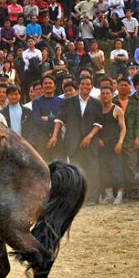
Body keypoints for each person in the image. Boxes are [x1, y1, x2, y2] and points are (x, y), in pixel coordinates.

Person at [49, 75, 103, 204]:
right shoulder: (68, 102)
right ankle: (77, 199)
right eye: (83, 84)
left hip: (91, 142)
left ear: (91, 86)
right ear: (79, 86)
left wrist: (89, 137)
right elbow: (59, 120)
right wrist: (54, 136)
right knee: (76, 171)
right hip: (73, 142)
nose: (85, 86)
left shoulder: (96, 103)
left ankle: (93, 198)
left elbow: (99, 123)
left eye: (88, 84)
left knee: (92, 169)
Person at [113, 78, 139, 196]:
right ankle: (119, 191)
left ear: (129, 88)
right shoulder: (112, 101)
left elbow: (137, 121)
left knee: (131, 165)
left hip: (130, 138)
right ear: (117, 86)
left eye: (126, 85)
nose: (123, 87)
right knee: (117, 165)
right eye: (121, 85)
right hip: (116, 139)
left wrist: (137, 137)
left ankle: (132, 190)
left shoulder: (134, 102)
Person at [98, 86, 126, 205]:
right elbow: (93, 126)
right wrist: (98, 139)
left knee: (117, 169)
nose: (105, 95)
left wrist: (120, 142)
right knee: (104, 169)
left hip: (114, 144)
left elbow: (123, 128)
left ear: (111, 94)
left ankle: (119, 195)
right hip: (101, 144)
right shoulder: (97, 109)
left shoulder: (117, 109)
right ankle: (109, 194)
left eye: (107, 93)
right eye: (103, 93)